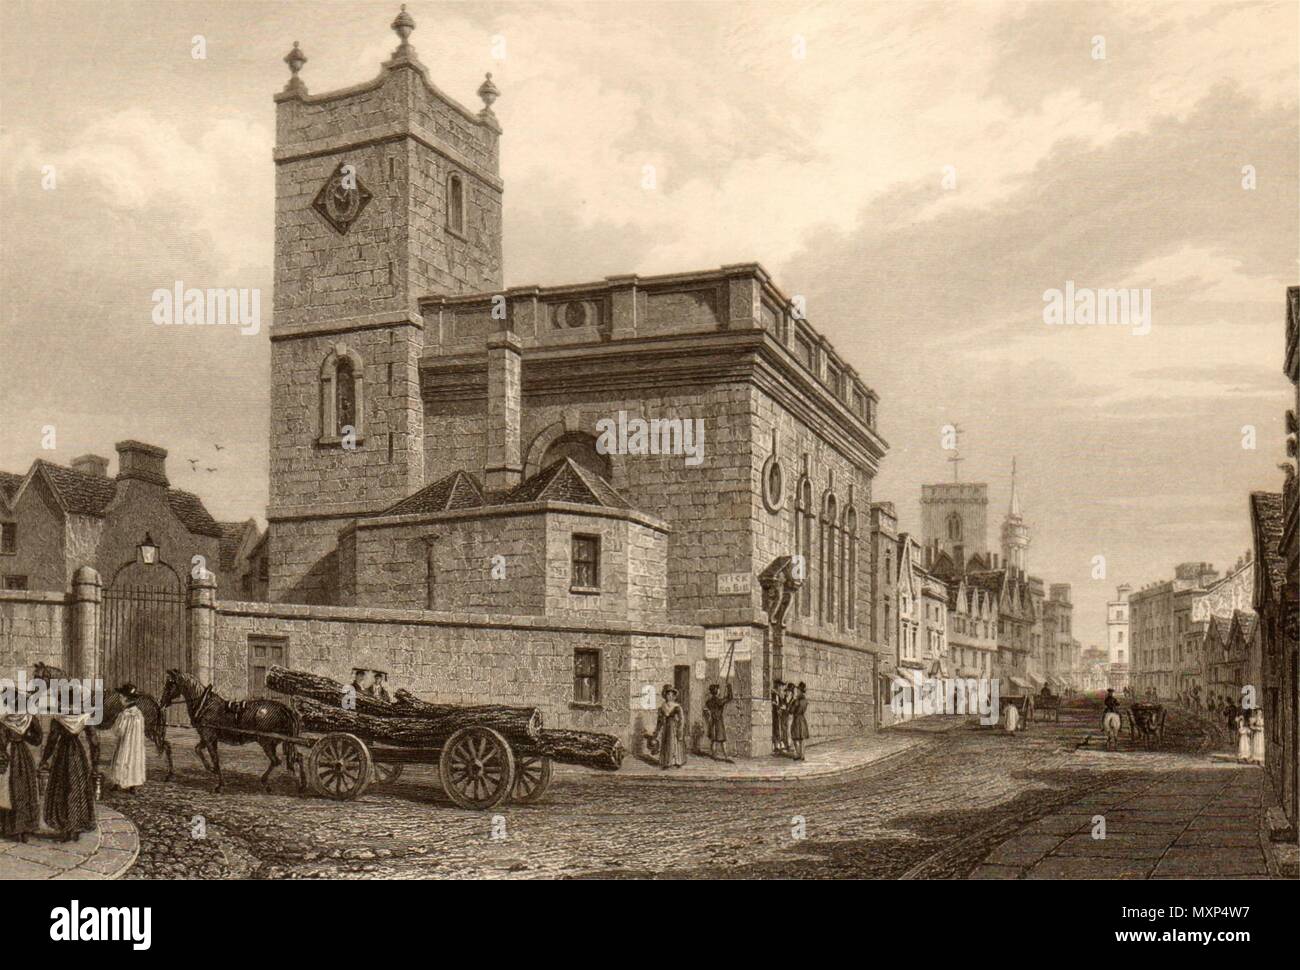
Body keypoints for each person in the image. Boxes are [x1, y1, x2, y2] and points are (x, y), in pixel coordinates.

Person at [40, 690, 99, 842]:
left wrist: (44, 759)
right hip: (77, 754)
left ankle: (65, 828)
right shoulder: (85, 717)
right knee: (77, 788)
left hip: (62, 754)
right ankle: (76, 827)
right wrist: (95, 764)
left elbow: (52, 740)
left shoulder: (58, 718)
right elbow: (94, 742)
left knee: (62, 788)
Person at [0, 705, 43, 842]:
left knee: (9, 791)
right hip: (23, 756)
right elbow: (37, 740)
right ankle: (25, 829)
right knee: (25, 790)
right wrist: (25, 734)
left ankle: (12, 829)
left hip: (10, 755)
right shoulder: (29, 719)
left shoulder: (4, 721)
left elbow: (1, 743)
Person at [107, 684, 147, 793]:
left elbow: (118, 731)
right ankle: (133, 784)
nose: (120, 699)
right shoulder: (139, 714)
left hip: (125, 743)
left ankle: (118, 782)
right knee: (134, 761)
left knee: (122, 759)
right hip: (136, 745)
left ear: (126, 699)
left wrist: (114, 728)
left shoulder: (124, 715)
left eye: (121, 697)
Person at [648, 685, 686, 769]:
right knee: (667, 744)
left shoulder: (677, 706)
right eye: (668, 694)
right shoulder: (662, 707)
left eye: (671, 694)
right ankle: (667, 762)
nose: (670, 696)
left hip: (675, 728)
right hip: (666, 728)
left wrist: (680, 729)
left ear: (674, 696)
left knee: (675, 744)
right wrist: (656, 732)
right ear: (665, 695)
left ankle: (677, 762)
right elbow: (660, 721)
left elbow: (682, 719)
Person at [703, 681, 735, 762]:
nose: (720, 691)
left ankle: (714, 755)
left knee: (713, 740)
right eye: (719, 689)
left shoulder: (708, 701)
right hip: (718, 722)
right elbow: (730, 698)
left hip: (712, 722)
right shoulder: (719, 701)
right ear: (716, 691)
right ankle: (726, 756)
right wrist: (729, 687)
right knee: (722, 740)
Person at [789, 682, 810, 760]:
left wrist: (792, 702)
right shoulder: (805, 700)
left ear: (800, 691)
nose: (797, 691)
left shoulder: (797, 701)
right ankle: (802, 755)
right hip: (802, 719)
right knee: (801, 738)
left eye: (798, 690)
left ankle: (798, 754)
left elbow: (791, 711)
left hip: (797, 720)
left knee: (795, 737)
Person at [771, 679, 786, 755]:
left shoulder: (779, 695)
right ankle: (776, 747)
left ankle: (779, 746)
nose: (782, 688)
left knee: (779, 729)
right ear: (778, 686)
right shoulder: (774, 694)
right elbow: (773, 703)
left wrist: (782, 707)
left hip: (778, 715)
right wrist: (779, 707)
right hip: (774, 715)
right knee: (776, 729)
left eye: (782, 686)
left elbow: (781, 703)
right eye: (780, 686)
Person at [781, 682, 796, 753]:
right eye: (786, 691)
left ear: (791, 692)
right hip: (784, 716)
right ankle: (786, 745)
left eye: (788, 691)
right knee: (784, 730)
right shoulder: (784, 699)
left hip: (790, 717)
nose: (786, 692)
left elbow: (792, 710)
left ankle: (790, 746)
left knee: (789, 731)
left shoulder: (793, 700)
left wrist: (786, 708)